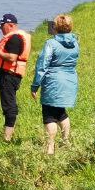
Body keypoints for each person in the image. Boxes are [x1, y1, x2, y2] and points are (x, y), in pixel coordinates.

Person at [31, 14, 80, 155]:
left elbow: (42, 65)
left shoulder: (51, 43)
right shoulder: (76, 43)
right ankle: (66, 142)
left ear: (55, 27)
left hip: (53, 82)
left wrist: (35, 86)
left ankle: (50, 148)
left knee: (49, 115)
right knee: (61, 112)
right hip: (70, 80)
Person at [0, 12, 31, 143]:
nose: (0, 28)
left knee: (9, 105)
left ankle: (7, 138)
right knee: (8, 104)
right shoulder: (13, 37)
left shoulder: (15, 38)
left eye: (2, 25)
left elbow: (12, 58)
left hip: (9, 76)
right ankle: (8, 134)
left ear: (11, 25)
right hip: (7, 75)